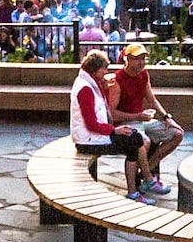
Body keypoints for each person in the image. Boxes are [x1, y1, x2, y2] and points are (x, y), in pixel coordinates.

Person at [69, 49, 148, 200]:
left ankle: (137, 187)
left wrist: (104, 88)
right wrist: (114, 130)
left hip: (93, 136)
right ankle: (135, 190)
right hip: (87, 141)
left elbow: (101, 107)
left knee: (135, 138)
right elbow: (91, 124)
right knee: (134, 140)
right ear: (94, 70)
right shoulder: (85, 89)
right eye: (103, 69)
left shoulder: (91, 82)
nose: (106, 72)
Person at [111, 43, 184, 194]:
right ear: (128, 59)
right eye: (137, 59)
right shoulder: (118, 79)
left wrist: (166, 117)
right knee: (144, 142)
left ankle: (147, 170)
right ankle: (149, 179)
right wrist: (137, 116)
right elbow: (112, 113)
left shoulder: (144, 75)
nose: (141, 62)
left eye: (143, 58)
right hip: (125, 123)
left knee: (177, 133)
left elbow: (152, 100)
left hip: (141, 120)